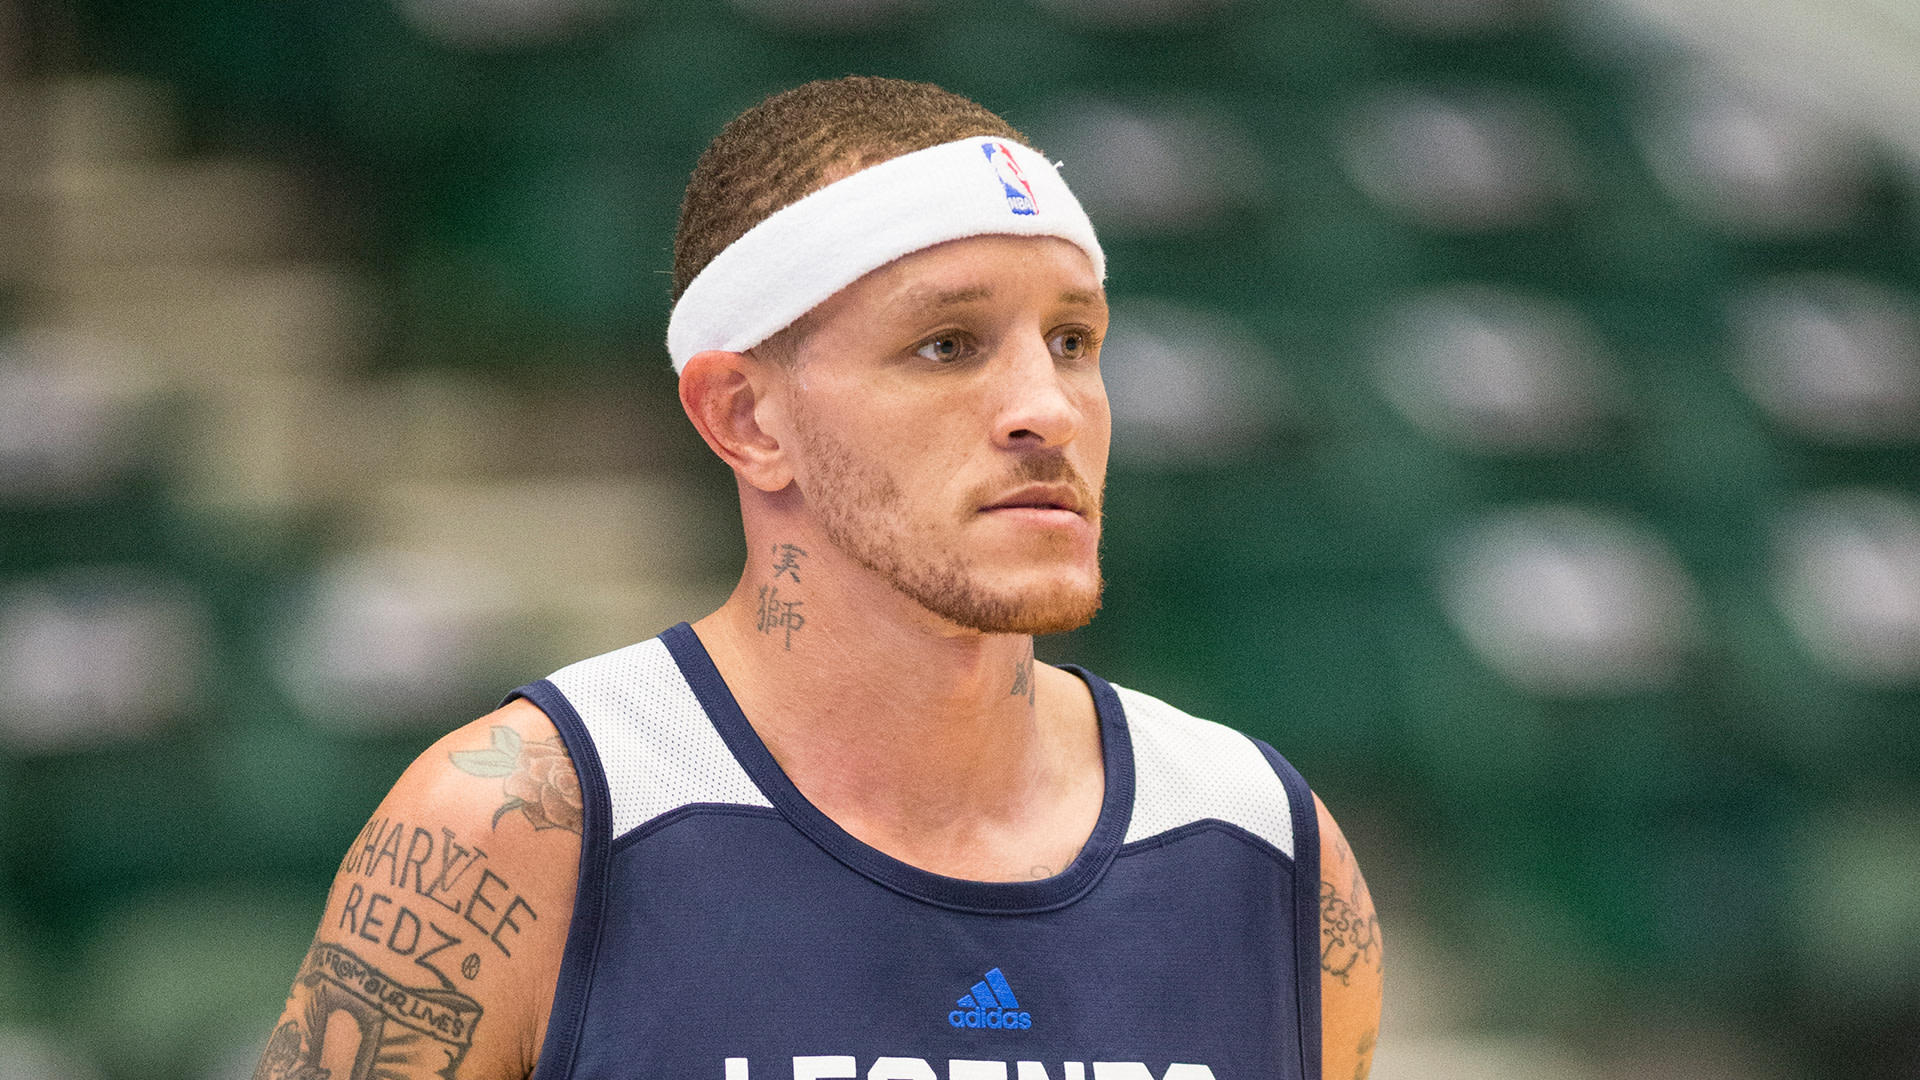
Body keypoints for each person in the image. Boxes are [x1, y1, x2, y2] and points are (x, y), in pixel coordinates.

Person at [254, 76, 1382, 1080]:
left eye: (1074, 341)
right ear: (747, 418)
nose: (1048, 408)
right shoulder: (526, 825)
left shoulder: (1261, 845)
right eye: (948, 344)